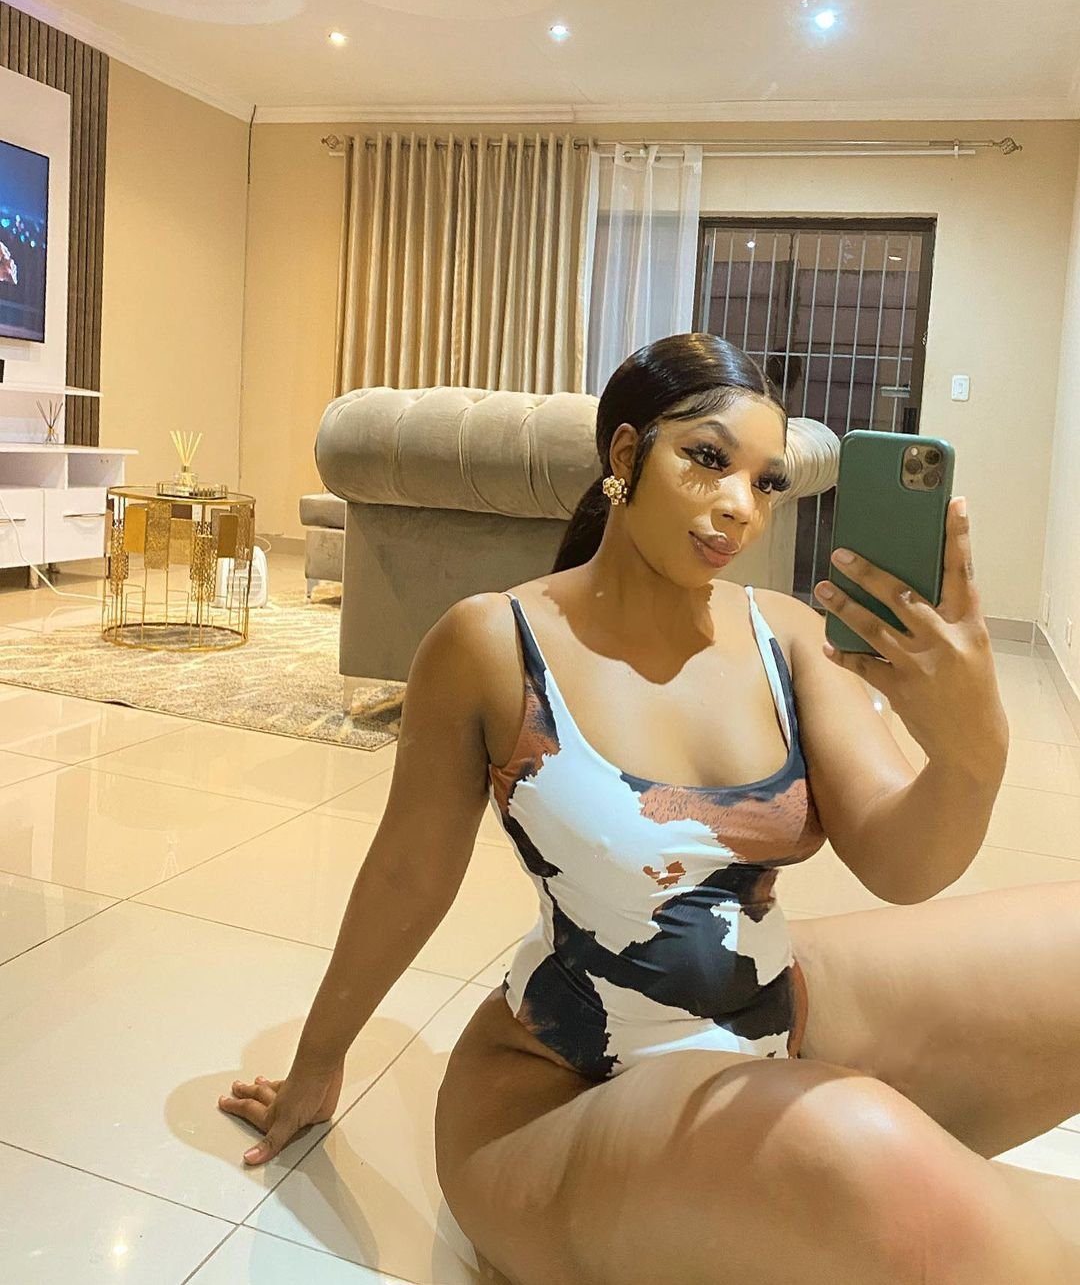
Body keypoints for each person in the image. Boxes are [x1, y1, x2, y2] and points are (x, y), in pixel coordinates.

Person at [220, 334, 1080, 1284]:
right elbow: (406, 874)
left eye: (766, 482)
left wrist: (973, 750)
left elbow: (902, 863)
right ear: (626, 455)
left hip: (772, 1007)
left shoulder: (787, 635)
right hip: (567, 1097)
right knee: (856, 1144)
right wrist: (318, 1061)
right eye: (708, 459)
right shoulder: (494, 642)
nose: (739, 506)